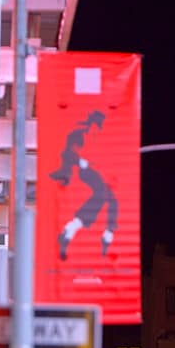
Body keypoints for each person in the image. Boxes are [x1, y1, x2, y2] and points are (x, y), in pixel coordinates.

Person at [49, 110, 120, 260]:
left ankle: (70, 232)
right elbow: (67, 153)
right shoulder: (78, 135)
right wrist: (81, 162)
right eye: (97, 124)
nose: (98, 127)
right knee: (104, 194)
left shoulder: (103, 137)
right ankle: (105, 235)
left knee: (109, 198)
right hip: (85, 170)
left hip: (98, 173)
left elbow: (105, 158)